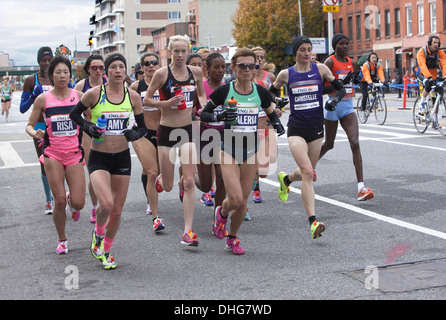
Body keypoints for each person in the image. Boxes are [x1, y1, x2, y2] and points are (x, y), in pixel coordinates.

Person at [201, 47, 285, 255]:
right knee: (236, 198)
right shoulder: (225, 91)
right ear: (234, 68)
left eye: (252, 66)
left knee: (243, 202)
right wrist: (219, 118)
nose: (248, 69)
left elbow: (269, 111)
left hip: (251, 151)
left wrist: (277, 123)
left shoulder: (260, 92)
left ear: (257, 68)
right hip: (228, 149)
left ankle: (232, 237)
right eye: (243, 66)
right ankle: (221, 212)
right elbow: (204, 114)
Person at [70, 52, 147, 269]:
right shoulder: (94, 94)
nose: (118, 71)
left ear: (126, 71)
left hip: (122, 157)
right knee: (105, 203)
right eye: (113, 67)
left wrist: (136, 133)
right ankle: (99, 233)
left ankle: (106, 250)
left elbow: (142, 127)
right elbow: (74, 115)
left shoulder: (133, 97)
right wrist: (88, 127)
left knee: (117, 211)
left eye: (121, 67)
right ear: (105, 71)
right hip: (99, 157)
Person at [272, 36, 345, 239]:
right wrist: (277, 102)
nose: (306, 53)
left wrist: (334, 101)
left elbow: (341, 89)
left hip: (316, 128)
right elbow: (268, 93)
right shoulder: (286, 74)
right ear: (295, 52)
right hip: (296, 128)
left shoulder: (321, 70)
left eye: (309, 50)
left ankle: (286, 179)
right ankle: (313, 222)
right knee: (307, 172)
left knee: (308, 171)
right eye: (302, 50)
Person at [144, 35, 207, 246]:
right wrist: (166, 102)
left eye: (183, 51)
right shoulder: (162, 74)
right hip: (167, 132)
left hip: (187, 130)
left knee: (190, 181)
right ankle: (168, 181)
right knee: (168, 186)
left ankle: (188, 231)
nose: (180, 55)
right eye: (176, 51)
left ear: (188, 51)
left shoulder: (195, 72)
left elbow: (201, 96)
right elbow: (146, 99)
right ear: (170, 52)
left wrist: (204, 109)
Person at [25, 56, 85, 254]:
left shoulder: (78, 96)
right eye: (58, 72)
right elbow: (29, 125)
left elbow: (91, 119)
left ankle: (71, 200)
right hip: (52, 153)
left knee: (78, 202)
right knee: (58, 200)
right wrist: (36, 133)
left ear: (70, 74)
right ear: (51, 76)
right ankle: (62, 239)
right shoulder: (43, 99)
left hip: (74, 153)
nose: (62, 76)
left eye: (65, 72)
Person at [319, 33, 374, 201]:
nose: (345, 47)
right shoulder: (329, 62)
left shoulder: (350, 62)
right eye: (341, 44)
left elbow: (350, 83)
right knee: (329, 144)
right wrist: (339, 84)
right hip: (332, 106)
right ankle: (310, 166)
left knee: (355, 143)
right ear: (335, 46)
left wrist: (355, 80)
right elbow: (320, 89)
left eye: (347, 44)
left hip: (348, 106)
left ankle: (361, 188)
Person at [129, 52, 165, 232]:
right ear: (142, 67)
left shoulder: (165, 83)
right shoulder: (136, 86)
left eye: (154, 63)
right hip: (142, 132)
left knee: (161, 174)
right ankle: (155, 216)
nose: (151, 66)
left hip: (163, 132)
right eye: (147, 63)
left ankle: (152, 196)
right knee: (152, 172)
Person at [20, 47, 55, 215]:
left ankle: (62, 195)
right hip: (40, 127)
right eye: (43, 60)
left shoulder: (59, 77)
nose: (47, 63)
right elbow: (22, 108)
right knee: (44, 163)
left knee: (63, 163)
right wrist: (34, 95)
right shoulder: (30, 80)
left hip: (57, 125)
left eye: (49, 59)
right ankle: (49, 200)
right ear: (38, 61)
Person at [74, 54, 107, 223]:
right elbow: (73, 110)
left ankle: (105, 204)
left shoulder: (109, 84)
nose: (98, 71)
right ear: (88, 69)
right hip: (88, 131)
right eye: (94, 68)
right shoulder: (81, 85)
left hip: (109, 131)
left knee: (108, 172)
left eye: (101, 67)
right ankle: (95, 207)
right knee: (94, 171)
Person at [195, 53, 227, 214]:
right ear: (207, 69)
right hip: (204, 138)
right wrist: (196, 117)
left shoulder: (228, 88)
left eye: (223, 67)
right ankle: (186, 178)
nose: (220, 70)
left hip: (223, 138)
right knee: (206, 186)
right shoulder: (200, 88)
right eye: (216, 67)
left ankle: (218, 217)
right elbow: (189, 112)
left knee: (222, 179)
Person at [416, 35, 446, 117]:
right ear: (429, 43)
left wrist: (445, 76)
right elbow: (422, 65)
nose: (436, 44)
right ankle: (421, 103)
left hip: (433, 75)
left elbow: (444, 63)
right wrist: (428, 77)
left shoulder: (440, 52)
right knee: (428, 84)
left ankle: (435, 120)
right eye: (434, 42)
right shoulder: (422, 51)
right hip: (422, 74)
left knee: (437, 95)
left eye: (437, 43)